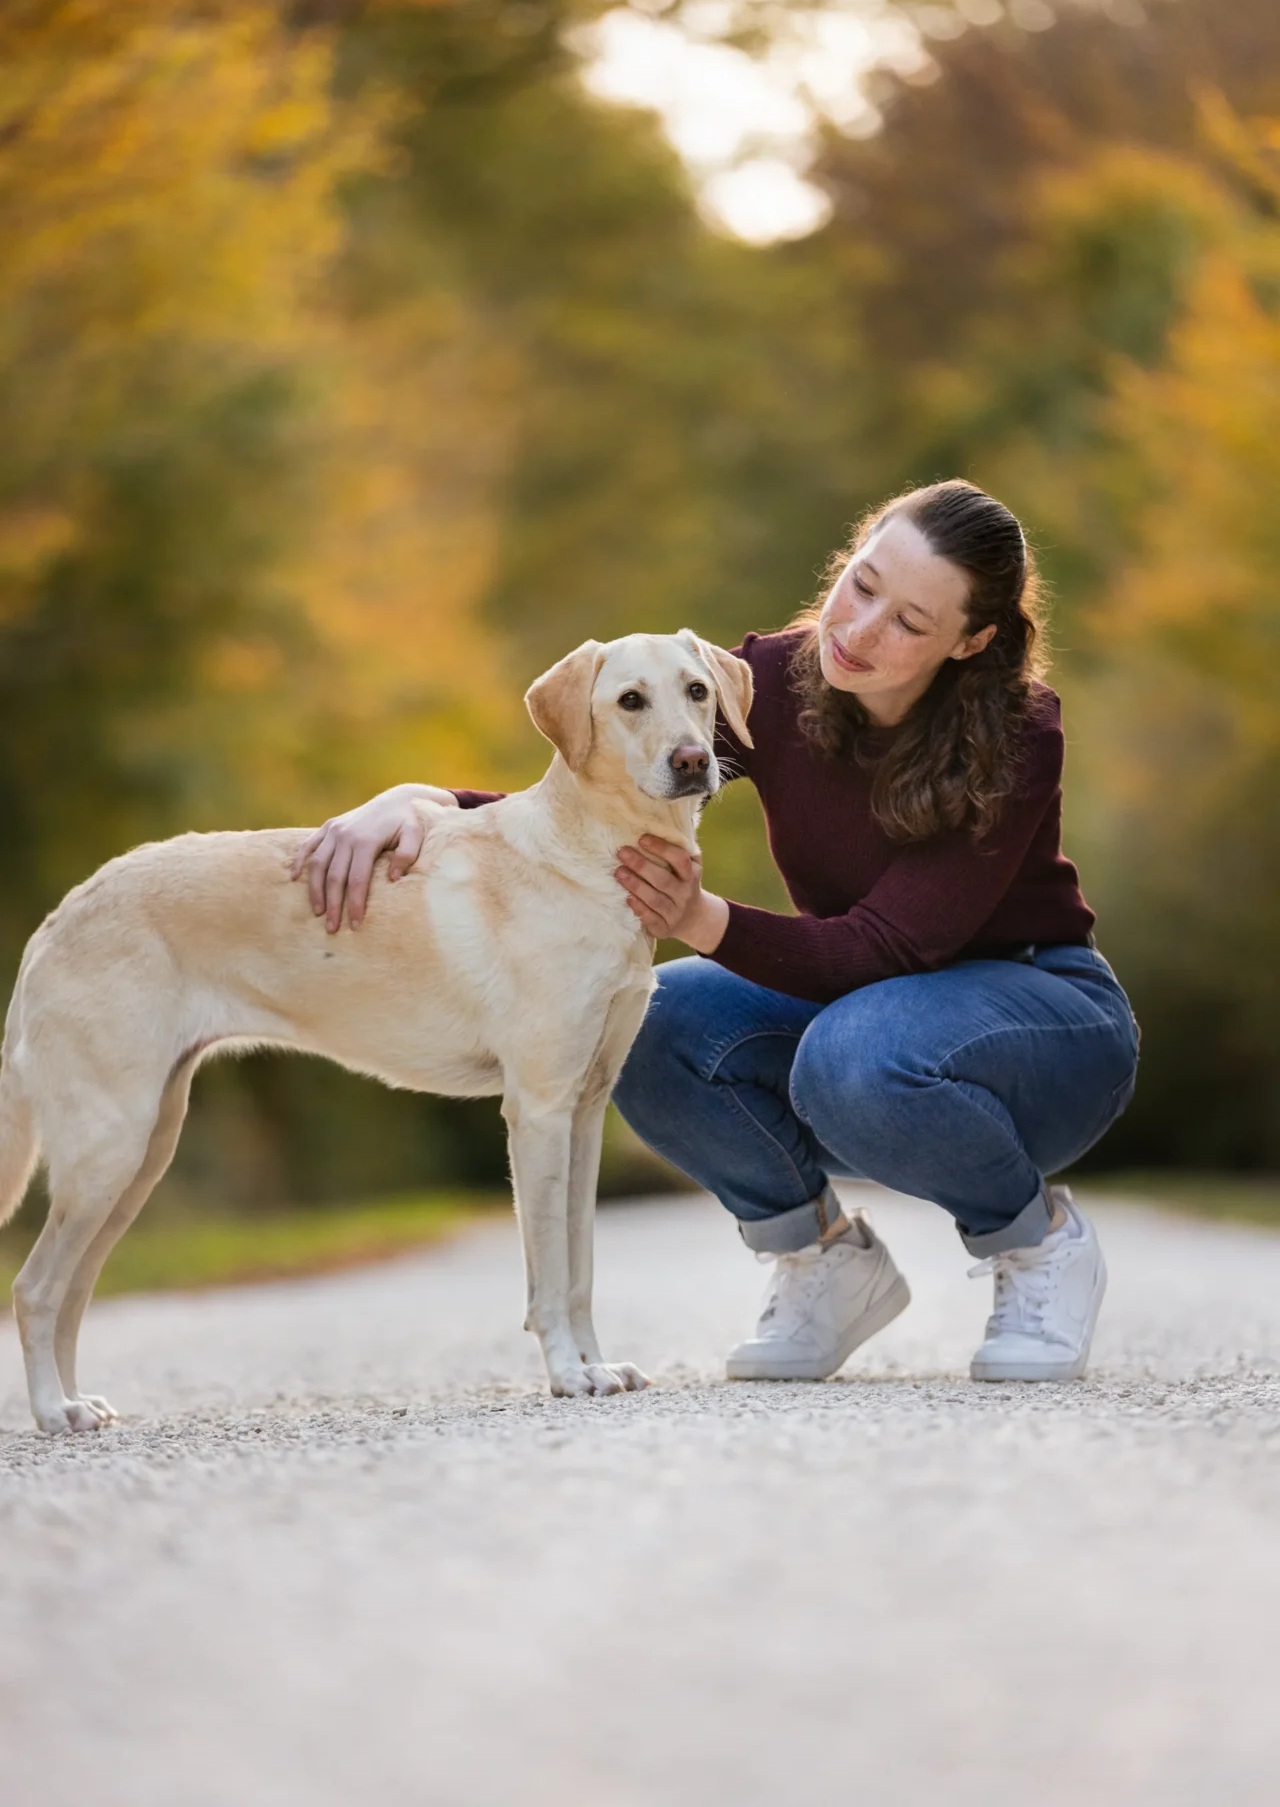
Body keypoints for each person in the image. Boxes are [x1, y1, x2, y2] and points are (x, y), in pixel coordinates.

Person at [293, 480, 1140, 1384]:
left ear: (971, 642)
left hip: (1042, 1029)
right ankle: (825, 1260)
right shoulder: (772, 683)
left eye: (909, 622)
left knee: (851, 1054)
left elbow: (886, 950)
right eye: (862, 585)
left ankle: (1038, 1242)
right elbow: (605, 790)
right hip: (871, 1024)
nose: (857, 631)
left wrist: (701, 919)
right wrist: (421, 803)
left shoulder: (1015, 731)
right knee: (649, 1023)